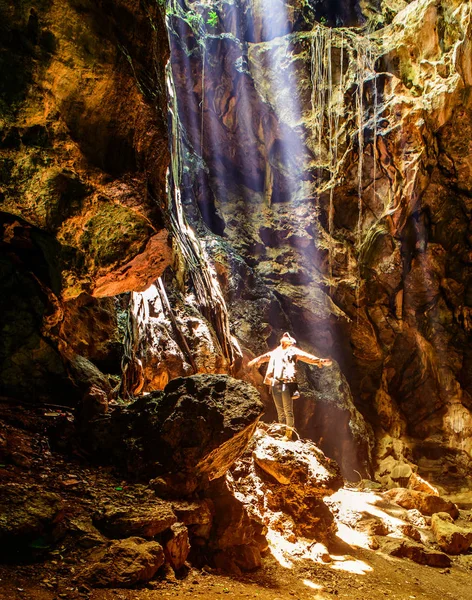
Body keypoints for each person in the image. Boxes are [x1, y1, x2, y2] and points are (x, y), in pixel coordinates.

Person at [248, 332, 332, 440]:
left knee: (287, 410)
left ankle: (288, 434)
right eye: (284, 336)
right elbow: (265, 356)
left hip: (287, 382)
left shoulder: (293, 351)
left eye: (287, 337)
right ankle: (281, 432)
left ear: (291, 342)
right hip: (275, 382)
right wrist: (256, 360)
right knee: (280, 410)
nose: (285, 336)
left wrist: (319, 361)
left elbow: (306, 357)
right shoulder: (276, 352)